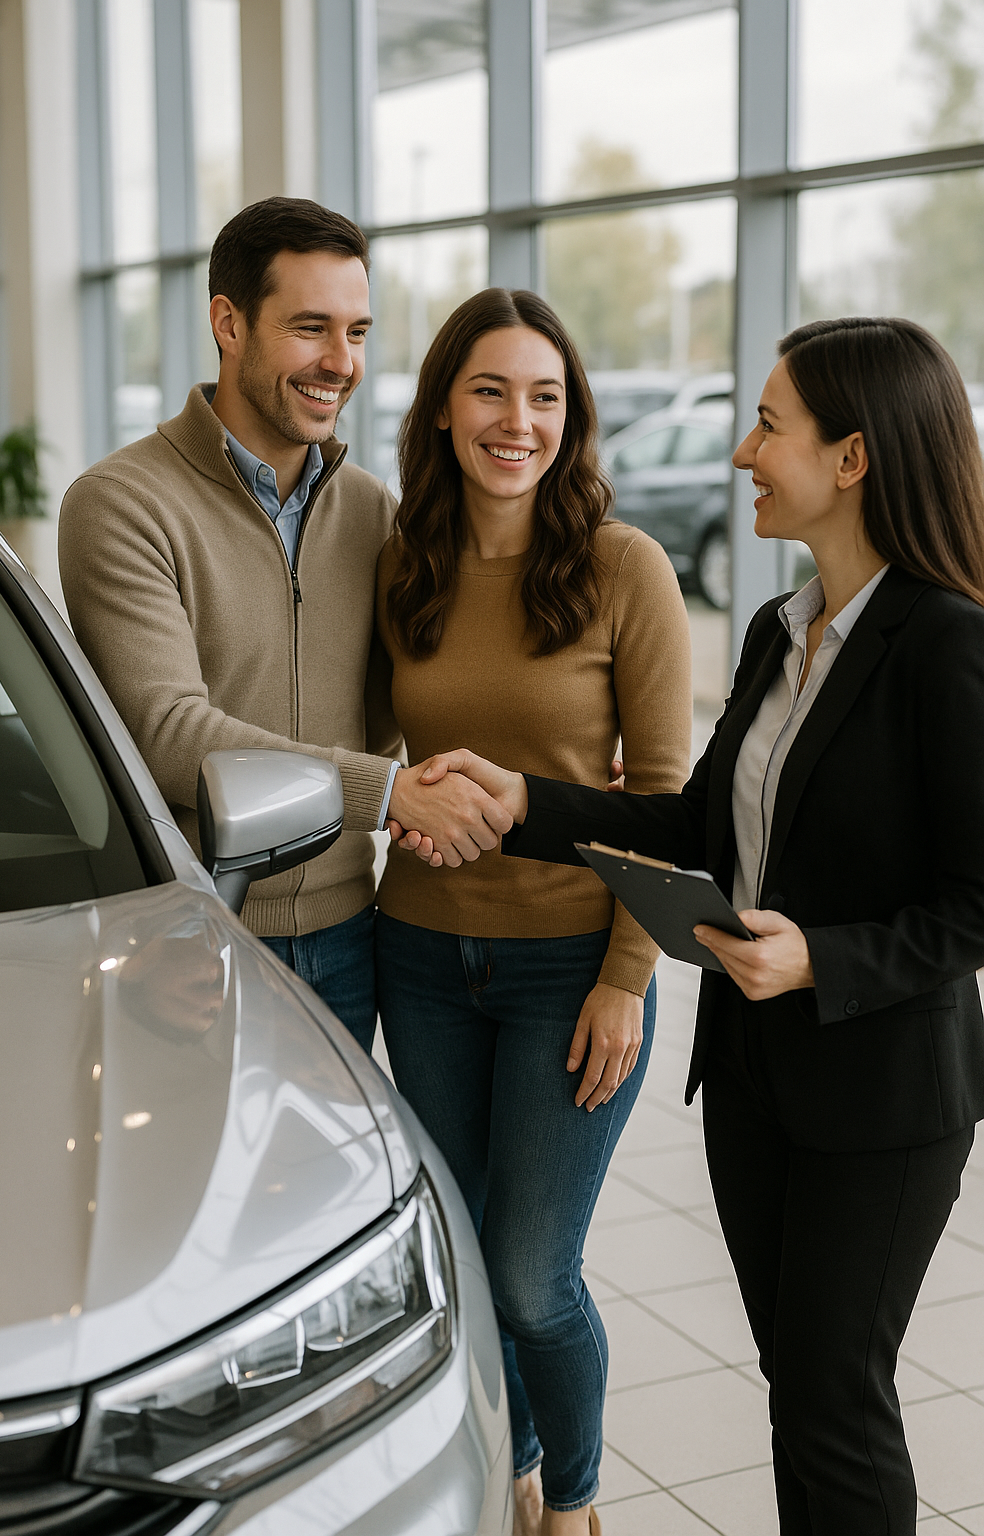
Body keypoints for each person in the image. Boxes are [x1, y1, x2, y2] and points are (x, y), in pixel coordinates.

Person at [397, 315, 984, 1535]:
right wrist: (525, 804)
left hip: (879, 1093)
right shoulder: (782, 632)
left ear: (852, 459)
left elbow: (973, 903)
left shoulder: (947, 642)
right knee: (794, 1392)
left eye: (768, 425)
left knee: (835, 1398)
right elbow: (695, 824)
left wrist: (821, 956)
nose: (741, 453)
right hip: (756, 1076)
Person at [374, 287, 693, 1536]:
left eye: (546, 395)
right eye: (492, 390)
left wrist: (628, 974)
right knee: (462, 1260)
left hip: (572, 966)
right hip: (419, 955)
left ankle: (573, 1505)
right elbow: (369, 748)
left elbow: (665, 799)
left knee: (528, 1272)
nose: (519, 420)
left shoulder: (623, 566)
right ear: (445, 406)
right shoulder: (403, 559)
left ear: (574, 416)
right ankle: (502, 1475)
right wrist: (391, 808)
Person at [59, 197, 509, 1052]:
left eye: (359, 332)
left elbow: (410, 699)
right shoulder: (121, 504)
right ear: (229, 323)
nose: (341, 362)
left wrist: (565, 754)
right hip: (194, 936)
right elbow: (166, 728)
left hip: (354, 937)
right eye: (311, 328)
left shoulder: (373, 510)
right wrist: (386, 793)